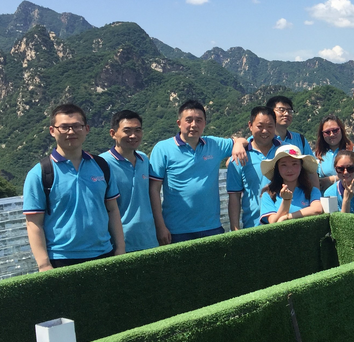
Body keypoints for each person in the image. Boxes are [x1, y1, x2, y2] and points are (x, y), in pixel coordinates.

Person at [23, 103, 125, 270]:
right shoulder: (40, 173)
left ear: (86, 129)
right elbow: (34, 223)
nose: (71, 132)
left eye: (77, 126)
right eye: (64, 127)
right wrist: (44, 264)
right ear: (52, 131)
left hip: (104, 253)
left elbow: (112, 210)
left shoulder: (102, 166)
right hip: (61, 259)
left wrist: (120, 248)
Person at [149, 100, 248, 244]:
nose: (194, 125)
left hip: (212, 227)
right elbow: (154, 190)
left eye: (199, 120)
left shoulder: (214, 145)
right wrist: (160, 227)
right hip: (176, 230)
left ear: (204, 124)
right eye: (189, 120)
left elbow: (244, 140)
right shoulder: (162, 149)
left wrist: (238, 144)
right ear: (179, 123)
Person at [101, 110, 158, 252]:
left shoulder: (144, 160)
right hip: (119, 244)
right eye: (127, 131)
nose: (133, 135)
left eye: (137, 130)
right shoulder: (102, 164)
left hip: (149, 239)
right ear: (113, 133)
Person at [227, 106, 282, 230]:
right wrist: (235, 230)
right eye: (260, 126)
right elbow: (234, 196)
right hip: (253, 226)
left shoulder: (285, 151)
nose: (265, 131)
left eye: (270, 126)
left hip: (286, 221)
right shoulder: (238, 157)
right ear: (250, 125)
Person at [259, 145, 323, 224]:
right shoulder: (268, 195)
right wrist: (286, 201)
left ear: (301, 166)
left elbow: (317, 209)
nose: (289, 170)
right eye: (284, 165)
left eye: (294, 164)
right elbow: (273, 222)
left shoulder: (312, 191)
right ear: (277, 168)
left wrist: (288, 217)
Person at [315, 114, 354, 192]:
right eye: (327, 132)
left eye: (335, 130)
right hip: (326, 197)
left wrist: (332, 180)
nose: (332, 134)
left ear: (341, 130)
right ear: (322, 134)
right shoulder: (317, 155)